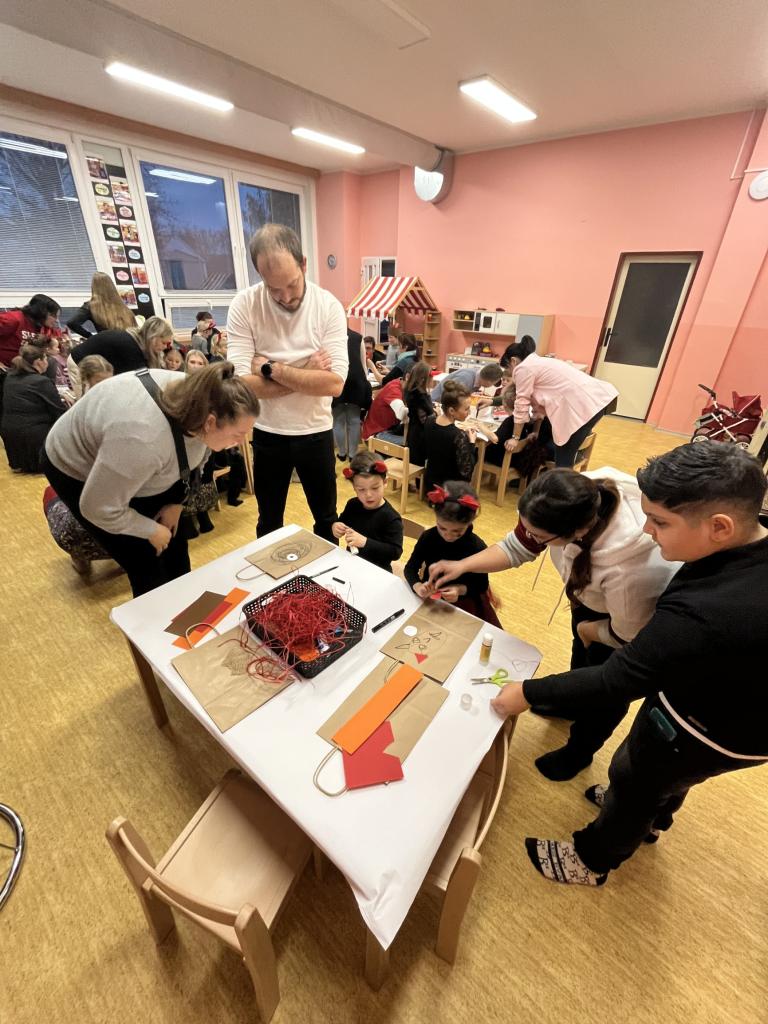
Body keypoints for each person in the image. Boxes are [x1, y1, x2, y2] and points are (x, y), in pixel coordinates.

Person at [489, 442, 768, 887]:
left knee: (635, 777)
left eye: (660, 522)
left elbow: (617, 679)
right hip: (715, 697)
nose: (647, 530)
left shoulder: (705, 612)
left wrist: (526, 692)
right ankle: (653, 817)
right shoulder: (745, 543)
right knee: (658, 782)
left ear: (719, 526)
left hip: (713, 728)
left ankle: (593, 859)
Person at [430, 465, 680, 778]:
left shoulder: (632, 572)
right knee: (581, 661)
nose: (531, 538)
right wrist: (463, 565)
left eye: (539, 537)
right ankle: (570, 704)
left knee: (604, 696)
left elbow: (628, 634)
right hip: (592, 605)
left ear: (577, 531)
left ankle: (579, 752)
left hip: (623, 629)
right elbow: (516, 546)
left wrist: (591, 630)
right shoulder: (569, 501)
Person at [42, 362, 259, 597]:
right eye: (238, 434)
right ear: (210, 423)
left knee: (175, 544)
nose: (241, 442)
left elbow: (200, 455)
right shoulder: (142, 439)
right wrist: (150, 530)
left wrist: (178, 503)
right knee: (144, 560)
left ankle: (182, 604)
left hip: (137, 455)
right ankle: (150, 613)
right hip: (76, 466)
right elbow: (98, 508)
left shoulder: (205, 399)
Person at [226, 223, 348, 541]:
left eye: (292, 284)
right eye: (274, 289)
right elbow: (240, 387)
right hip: (268, 433)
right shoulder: (245, 304)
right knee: (268, 521)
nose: (286, 297)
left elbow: (334, 384)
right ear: (260, 276)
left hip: (316, 432)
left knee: (326, 520)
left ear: (303, 264)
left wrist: (271, 369)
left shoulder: (328, 306)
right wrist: (307, 370)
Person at [502, 336, 618, 468]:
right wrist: (536, 427)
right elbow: (537, 402)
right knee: (564, 456)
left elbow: (521, 404)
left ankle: (564, 481)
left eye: (508, 369)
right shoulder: (540, 362)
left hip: (583, 406)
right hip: (597, 399)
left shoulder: (524, 368)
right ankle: (564, 479)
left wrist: (515, 437)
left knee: (563, 460)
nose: (511, 374)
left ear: (513, 361)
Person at [404, 481, 501, 627]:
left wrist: (459, 590)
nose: (448, 536)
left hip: (464, 603)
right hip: (431, 601)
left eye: (457, 531)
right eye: (442, 528)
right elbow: (410, 568)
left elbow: (481, 585)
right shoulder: (428, 537)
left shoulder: (477, 547)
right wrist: (418, 586)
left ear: (470, 522)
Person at [332, 451, 403, 572]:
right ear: (354, 487)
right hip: (352, 563)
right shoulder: (352, 505)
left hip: (378, 571)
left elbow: (395, 552)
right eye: (361, 489)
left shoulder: (390, 517)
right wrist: (336, 526)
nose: (368, 495)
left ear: (385, 482)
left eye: (375, 488)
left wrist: (365, 542)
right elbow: (342, 522)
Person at [1, 344, 65, 472]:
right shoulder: (41, 381)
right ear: (38, 362)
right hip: (34, 436)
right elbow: (58, 411)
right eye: (45, 358)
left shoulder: (10, 378)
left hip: (10, 435)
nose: (47, 362)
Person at [69, 316, 172, 384]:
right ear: (153, 338)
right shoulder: (130, 346)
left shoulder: (138, 341)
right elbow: (142, 381)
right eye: (164, 343)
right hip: (79, 362)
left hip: (99, 364)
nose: (165, 347)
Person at [423, 380, 477, 494]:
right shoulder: (458, 435)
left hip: (430, 484)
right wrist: (472, 443)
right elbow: (466, 472)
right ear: (451, 410)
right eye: (466, 409)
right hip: (450, 491)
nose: (469, 412)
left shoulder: (429, 421)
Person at [332, 328, 370, 462]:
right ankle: (353, 454)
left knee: (338, 420)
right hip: (356, 379)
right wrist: (365, 383)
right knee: (354, 420)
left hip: (337, 378)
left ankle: (342, 453)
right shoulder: (358, 337)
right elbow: (363, 364)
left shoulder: (330, 334)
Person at [66, 272, 136, 338]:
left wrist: (91, 337)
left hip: (107, 344)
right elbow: (135, 329)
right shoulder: (122, 306)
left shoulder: (91, 306)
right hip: (128, 342)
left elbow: (72, 323)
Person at [0, 294, 61, 369]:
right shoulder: (13, 319)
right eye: (54, 316)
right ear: (42, 312)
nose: (56, 320)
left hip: (26, 370)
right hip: (6, 369)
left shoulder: (45, 328)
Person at [401, 361, 434, 467]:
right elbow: (427, 418)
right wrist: (435, 412)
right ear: (423, 379)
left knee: (414, 463)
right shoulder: (421, 397)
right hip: (421, 436)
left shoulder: (410, 391)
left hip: (413, 432)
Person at [361, 376, 406, 445]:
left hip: (390, 428)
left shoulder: (399, 383)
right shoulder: (394, 389)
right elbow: (401, 413)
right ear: (408, 377)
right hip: (377, 433)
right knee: (414, 442)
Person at [430, 362, 502, 403]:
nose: (492, 385)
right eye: (493, 383)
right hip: (437, 402)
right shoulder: (465, 378)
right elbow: (450, 398)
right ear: (489, 382)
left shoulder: (477, 378)